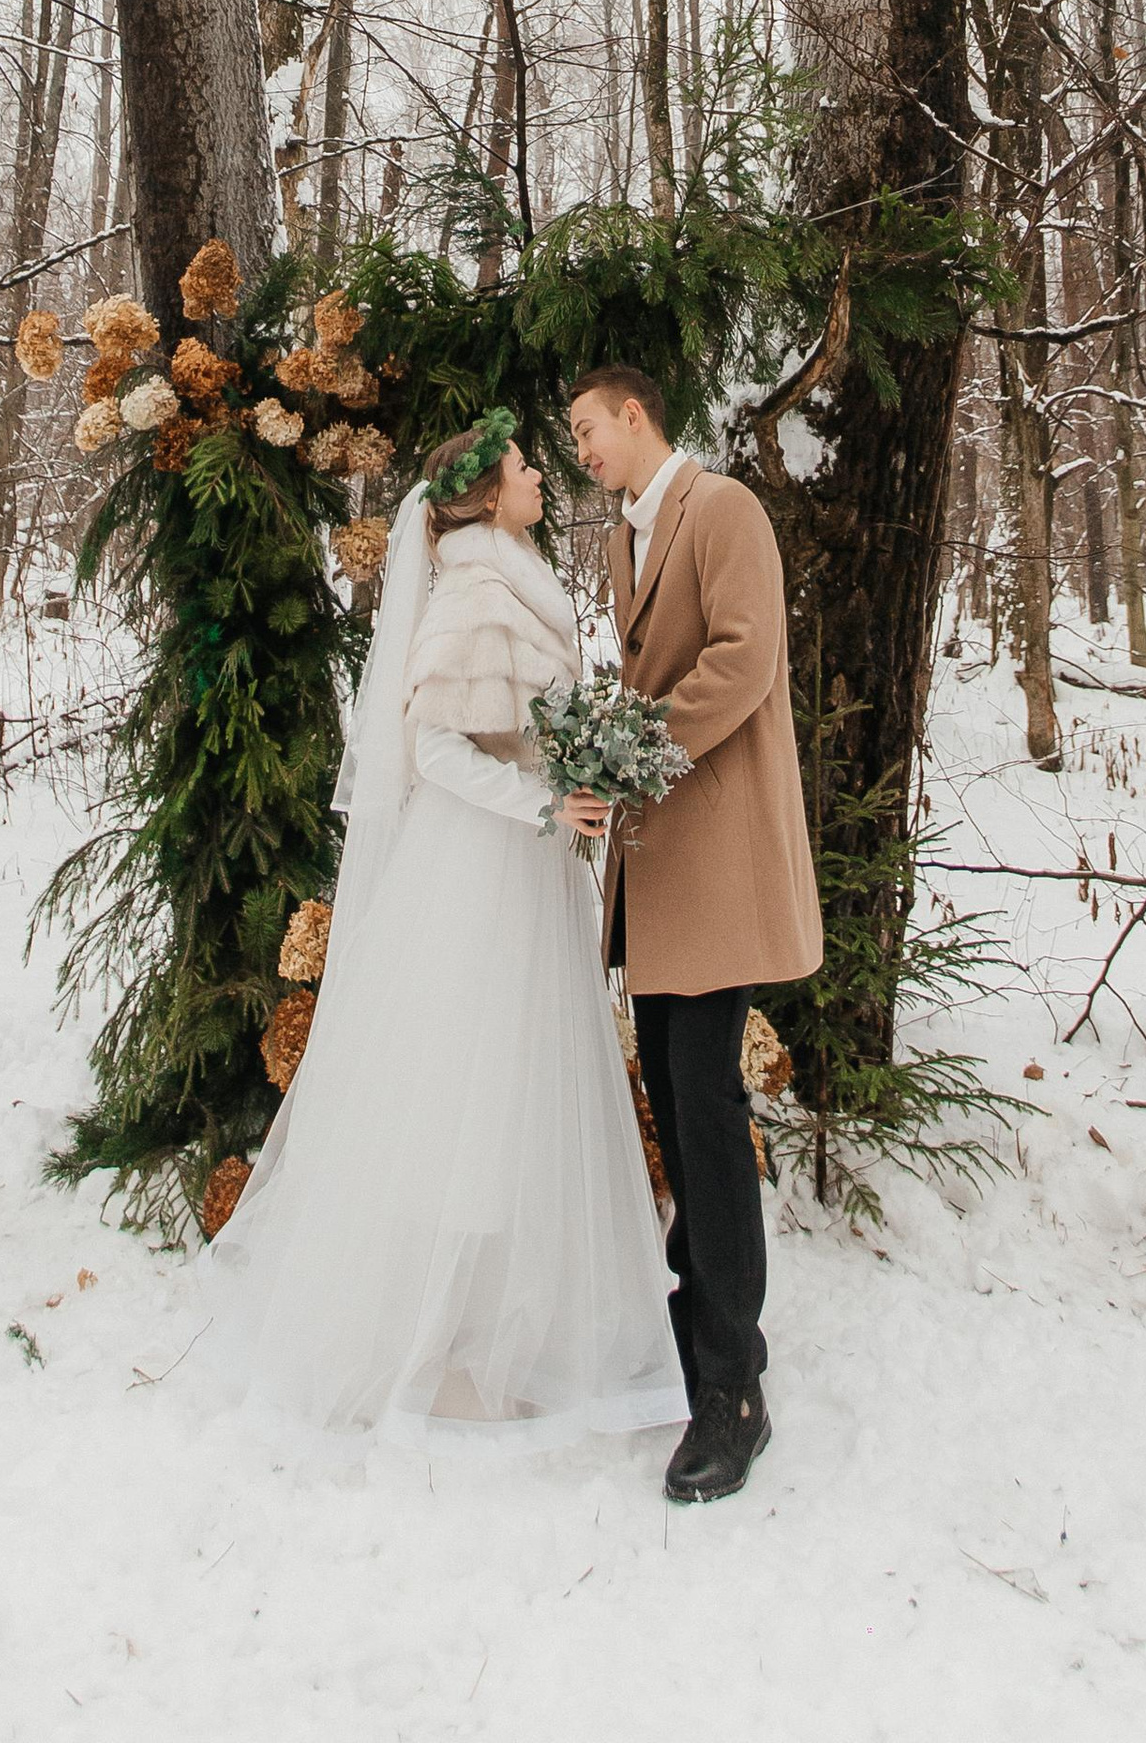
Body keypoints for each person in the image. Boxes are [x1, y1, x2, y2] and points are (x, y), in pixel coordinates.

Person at [203, 409, 685, 1453]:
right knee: (467, 1093)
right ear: (478, 494)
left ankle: (493, 1325)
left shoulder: (506, 578)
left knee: (512, 1091)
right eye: (521, 466)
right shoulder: (472, 593)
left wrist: (568, 780)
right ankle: (439, 1335)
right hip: (477, 875)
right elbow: (435, 751)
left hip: (522, 867)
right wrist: (543, 802)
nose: (538, 477)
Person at [568, 366, 823, 1508]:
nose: (578, 449)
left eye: (585, 429)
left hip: (713, 858)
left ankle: (735, 1388)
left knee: (707, 1114)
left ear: (635, 417)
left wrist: (630, 747)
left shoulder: (724, 511)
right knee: (674, 1107)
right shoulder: (624, 542)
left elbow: (743, 659)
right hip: (658, 870)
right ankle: (695, 1332)